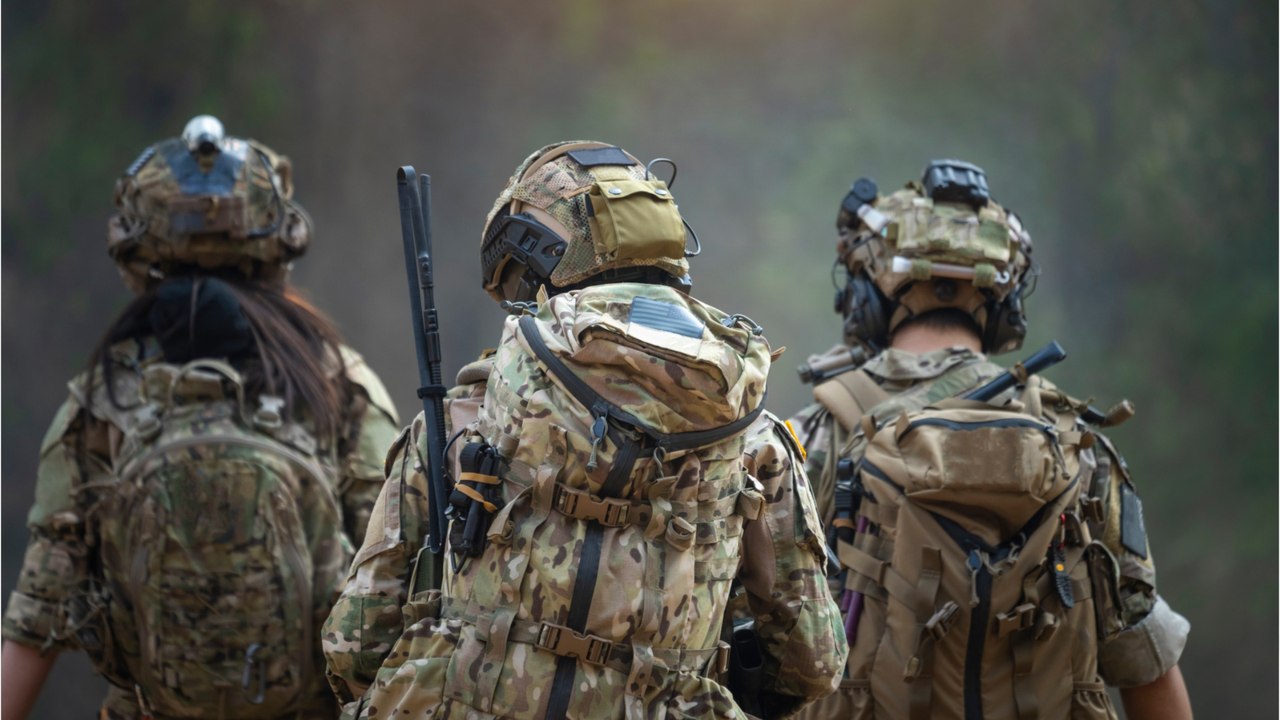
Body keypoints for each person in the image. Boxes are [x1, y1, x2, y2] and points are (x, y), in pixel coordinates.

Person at [323, 140, 847, 719]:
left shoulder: (463, 417)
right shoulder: (752, 438)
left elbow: (357, 645)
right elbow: (812, 662)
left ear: (544, 268)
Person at [1, 116, 401, 720]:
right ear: (277, 244)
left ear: (137, 248)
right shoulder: (338, 382)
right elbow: (395, 572)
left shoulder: (101, 396)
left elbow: (39, 611)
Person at [787, 161, 1192, 720]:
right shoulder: (1076, 444)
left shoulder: (814, 436)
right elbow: (1145, 657)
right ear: (1003, 304)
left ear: (868, 292)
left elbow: (754, 644)